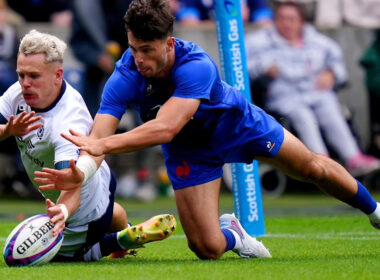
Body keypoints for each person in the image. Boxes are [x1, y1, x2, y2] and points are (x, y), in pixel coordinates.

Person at [35, 0, 380, 261]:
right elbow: (96, 139)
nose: (138, 59)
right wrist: (81, 171)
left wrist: (102, 146)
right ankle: (233, 232)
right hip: (192, 150)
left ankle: (375, 211)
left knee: (312, 168)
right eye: (133, 48)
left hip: (237, 126)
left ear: (169, 44)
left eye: (147, 50)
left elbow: (165, 128)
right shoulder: (126, 74)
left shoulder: (195, 64)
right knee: (206, 247)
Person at [0, 29, 176, 262]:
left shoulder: (67, 123)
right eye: (21, 75)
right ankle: (123, 225)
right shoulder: (18, 93)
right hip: (100, 176)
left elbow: (71, 187)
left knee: (26, 256)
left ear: (58, 75)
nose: (25, 84)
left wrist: (61, 212)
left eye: (33, 76)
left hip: (81, 205)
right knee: (101, 207)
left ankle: (117, 240)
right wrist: (7, 130)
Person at [245, 1, 380, 178]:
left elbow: (338, 65)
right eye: (282, 19)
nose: (286, 23)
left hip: (315, 92)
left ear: (301, 22)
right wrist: (263, 68)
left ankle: (353, 158)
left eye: (291, 19)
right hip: (282, 96)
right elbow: (242, 67)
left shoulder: (319, 41)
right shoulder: (258, 41)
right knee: (302, 114)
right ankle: (319, 161)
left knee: (330, 107)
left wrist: (332, 74)